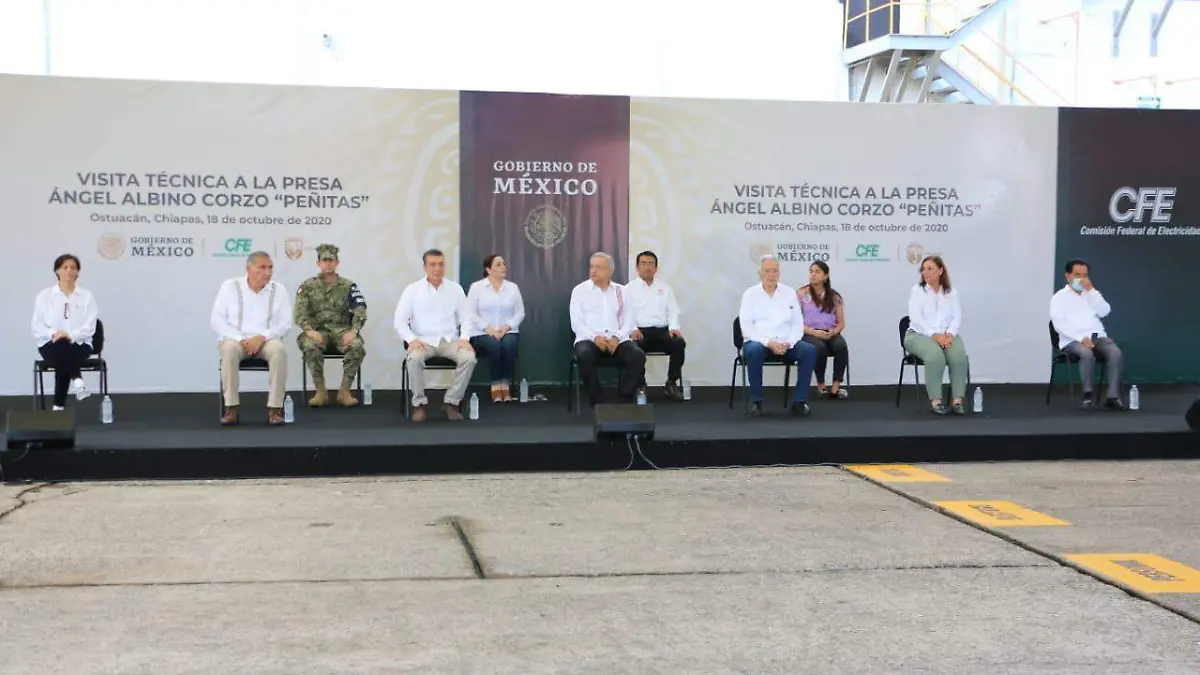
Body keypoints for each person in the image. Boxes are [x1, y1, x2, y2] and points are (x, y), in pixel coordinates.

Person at [211, 251, 293, 426]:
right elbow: (217, 320)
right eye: (262, 267)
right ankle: (231, 409)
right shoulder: (230, 286)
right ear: (249, 268)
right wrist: (240, 339)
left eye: (270, 268)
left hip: (266, 340)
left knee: (279, 350)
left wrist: (263, 337)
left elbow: (285, 324)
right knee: (229, 350)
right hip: (236, 340)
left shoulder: (279, 290)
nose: (267, 272)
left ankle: (275, 410)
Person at [394, 248, 477, 421]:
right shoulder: (412, 290)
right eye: (432, 264)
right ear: (424, 267)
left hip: (450, 341)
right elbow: (399, 321)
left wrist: (465, 338)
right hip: (423, 341)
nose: (437, 268)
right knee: (414, 358)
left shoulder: (455, 289)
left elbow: (467, 317)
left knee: (469, 358)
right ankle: (419, 404)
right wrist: (411, 339)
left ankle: (451, 402)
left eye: (441, 264)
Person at [738, 254, 816, 417]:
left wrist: (789, 343)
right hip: (760, 343)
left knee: (808, 350)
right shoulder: (750, 294)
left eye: (775, 271)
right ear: (760, 273)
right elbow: (747, 328)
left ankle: (799, 401)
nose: (771, 275)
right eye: (767, 271)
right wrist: (769, 343)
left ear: (779, 273)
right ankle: (756, 401)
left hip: (786, 344)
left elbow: (797, 324)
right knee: (754, 350)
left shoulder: (789, 292)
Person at [294, 244, 367, 407]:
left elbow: (360, 309)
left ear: (337, 262)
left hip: (342, 331)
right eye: (324, 260)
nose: (328, 263)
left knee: (356, 346)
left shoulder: (348, 286)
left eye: (331, 260)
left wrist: (354, 331)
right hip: (317, 332)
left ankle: (344, 391)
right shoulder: (307, 286)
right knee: (309, 345)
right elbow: (299, 313)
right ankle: (320, 392)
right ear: (318, 263)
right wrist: (309, 330)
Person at [569, 252, 646, 406]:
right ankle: (598, 401)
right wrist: (595, 338)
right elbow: (577, 322)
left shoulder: (622, 291)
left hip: (617, 340)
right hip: (589, 339)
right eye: (592, 266)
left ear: (610, 271)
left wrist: (617, 338)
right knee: (584, 355)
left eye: (599, 267)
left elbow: (629, 320)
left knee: (637, 355)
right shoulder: (579, 291)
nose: (593, 270)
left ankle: (625, 400)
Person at [1050, 258, 1125, 410]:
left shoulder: (1091, 294)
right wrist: (1080, 338)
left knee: (1115, 353)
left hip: (1097, 337)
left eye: (1085, 275)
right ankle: (1087, 395)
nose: (1082, 279)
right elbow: (1059, 324)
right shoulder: (1059, 298)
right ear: (1068, 276)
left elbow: (1105, 311)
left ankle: (1112, 397)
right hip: (1073, 340)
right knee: (1086, 353)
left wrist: (1092, 291)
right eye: (1077, 275)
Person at [31, 254, 98, 411]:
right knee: (62, 347)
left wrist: (70, 336)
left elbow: (90, 327)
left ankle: (58, 408)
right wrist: (54, 333)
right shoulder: (45, 296)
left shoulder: (87, 296)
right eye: (65, 267)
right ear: (57, 271)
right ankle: (78, 382)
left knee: (64, 354)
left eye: (73, 268)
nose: (69, 271)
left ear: (78, 272)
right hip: (50, 344)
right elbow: (36, 326)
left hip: (80, 344)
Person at [904, 255, 968, 415]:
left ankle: (957, 401)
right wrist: (934, 335)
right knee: (935, 356)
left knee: (959, 357)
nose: (925, 272)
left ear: (940, 271)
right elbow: (916, 318)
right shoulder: (917, 291)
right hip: (918, 335)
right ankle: (936, 402)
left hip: (946, 335)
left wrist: (950, 334)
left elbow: (957, 316)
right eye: (923, 269)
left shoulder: (951, 292)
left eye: (929, 269)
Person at [625, 250, 686, 400]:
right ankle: (641, 385)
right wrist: (633, 329)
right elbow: (625, 313)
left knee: (679, 343)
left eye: (651, 263)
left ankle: (671, 383)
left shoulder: (665, 288)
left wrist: (674, 328)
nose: (647, 267)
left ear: (656, 268)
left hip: (662, 331)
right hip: (639, 331)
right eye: (643, 263)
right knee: (634, 348)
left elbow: (672, 311)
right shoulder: (628, 289)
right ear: (637, 267)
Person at [465, 254, 525, 402]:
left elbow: (520, 313)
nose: (503, 267)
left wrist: (506, 327)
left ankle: (505, 383)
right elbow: (470, 313)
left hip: (508, 330)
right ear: (488, 269)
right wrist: (488, 329)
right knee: (494, 345)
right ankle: (495, 385)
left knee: (509, 345)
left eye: (504, 264)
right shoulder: (477, 287)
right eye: (498, 264)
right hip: (481, 332)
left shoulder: (512, 288)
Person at [798, 260, 849, 399]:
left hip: (830, 332)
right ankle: (821, 385)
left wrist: (833, 332)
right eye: (811, 271)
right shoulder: (801, 293)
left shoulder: (834, 296)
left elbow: (841, 323)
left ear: (825, 276)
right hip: (810, 333)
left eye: (817, 272)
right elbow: (795, 322)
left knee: (841, 346)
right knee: (819, 348)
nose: (813, 275)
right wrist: (813, 332)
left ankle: (836, 387)